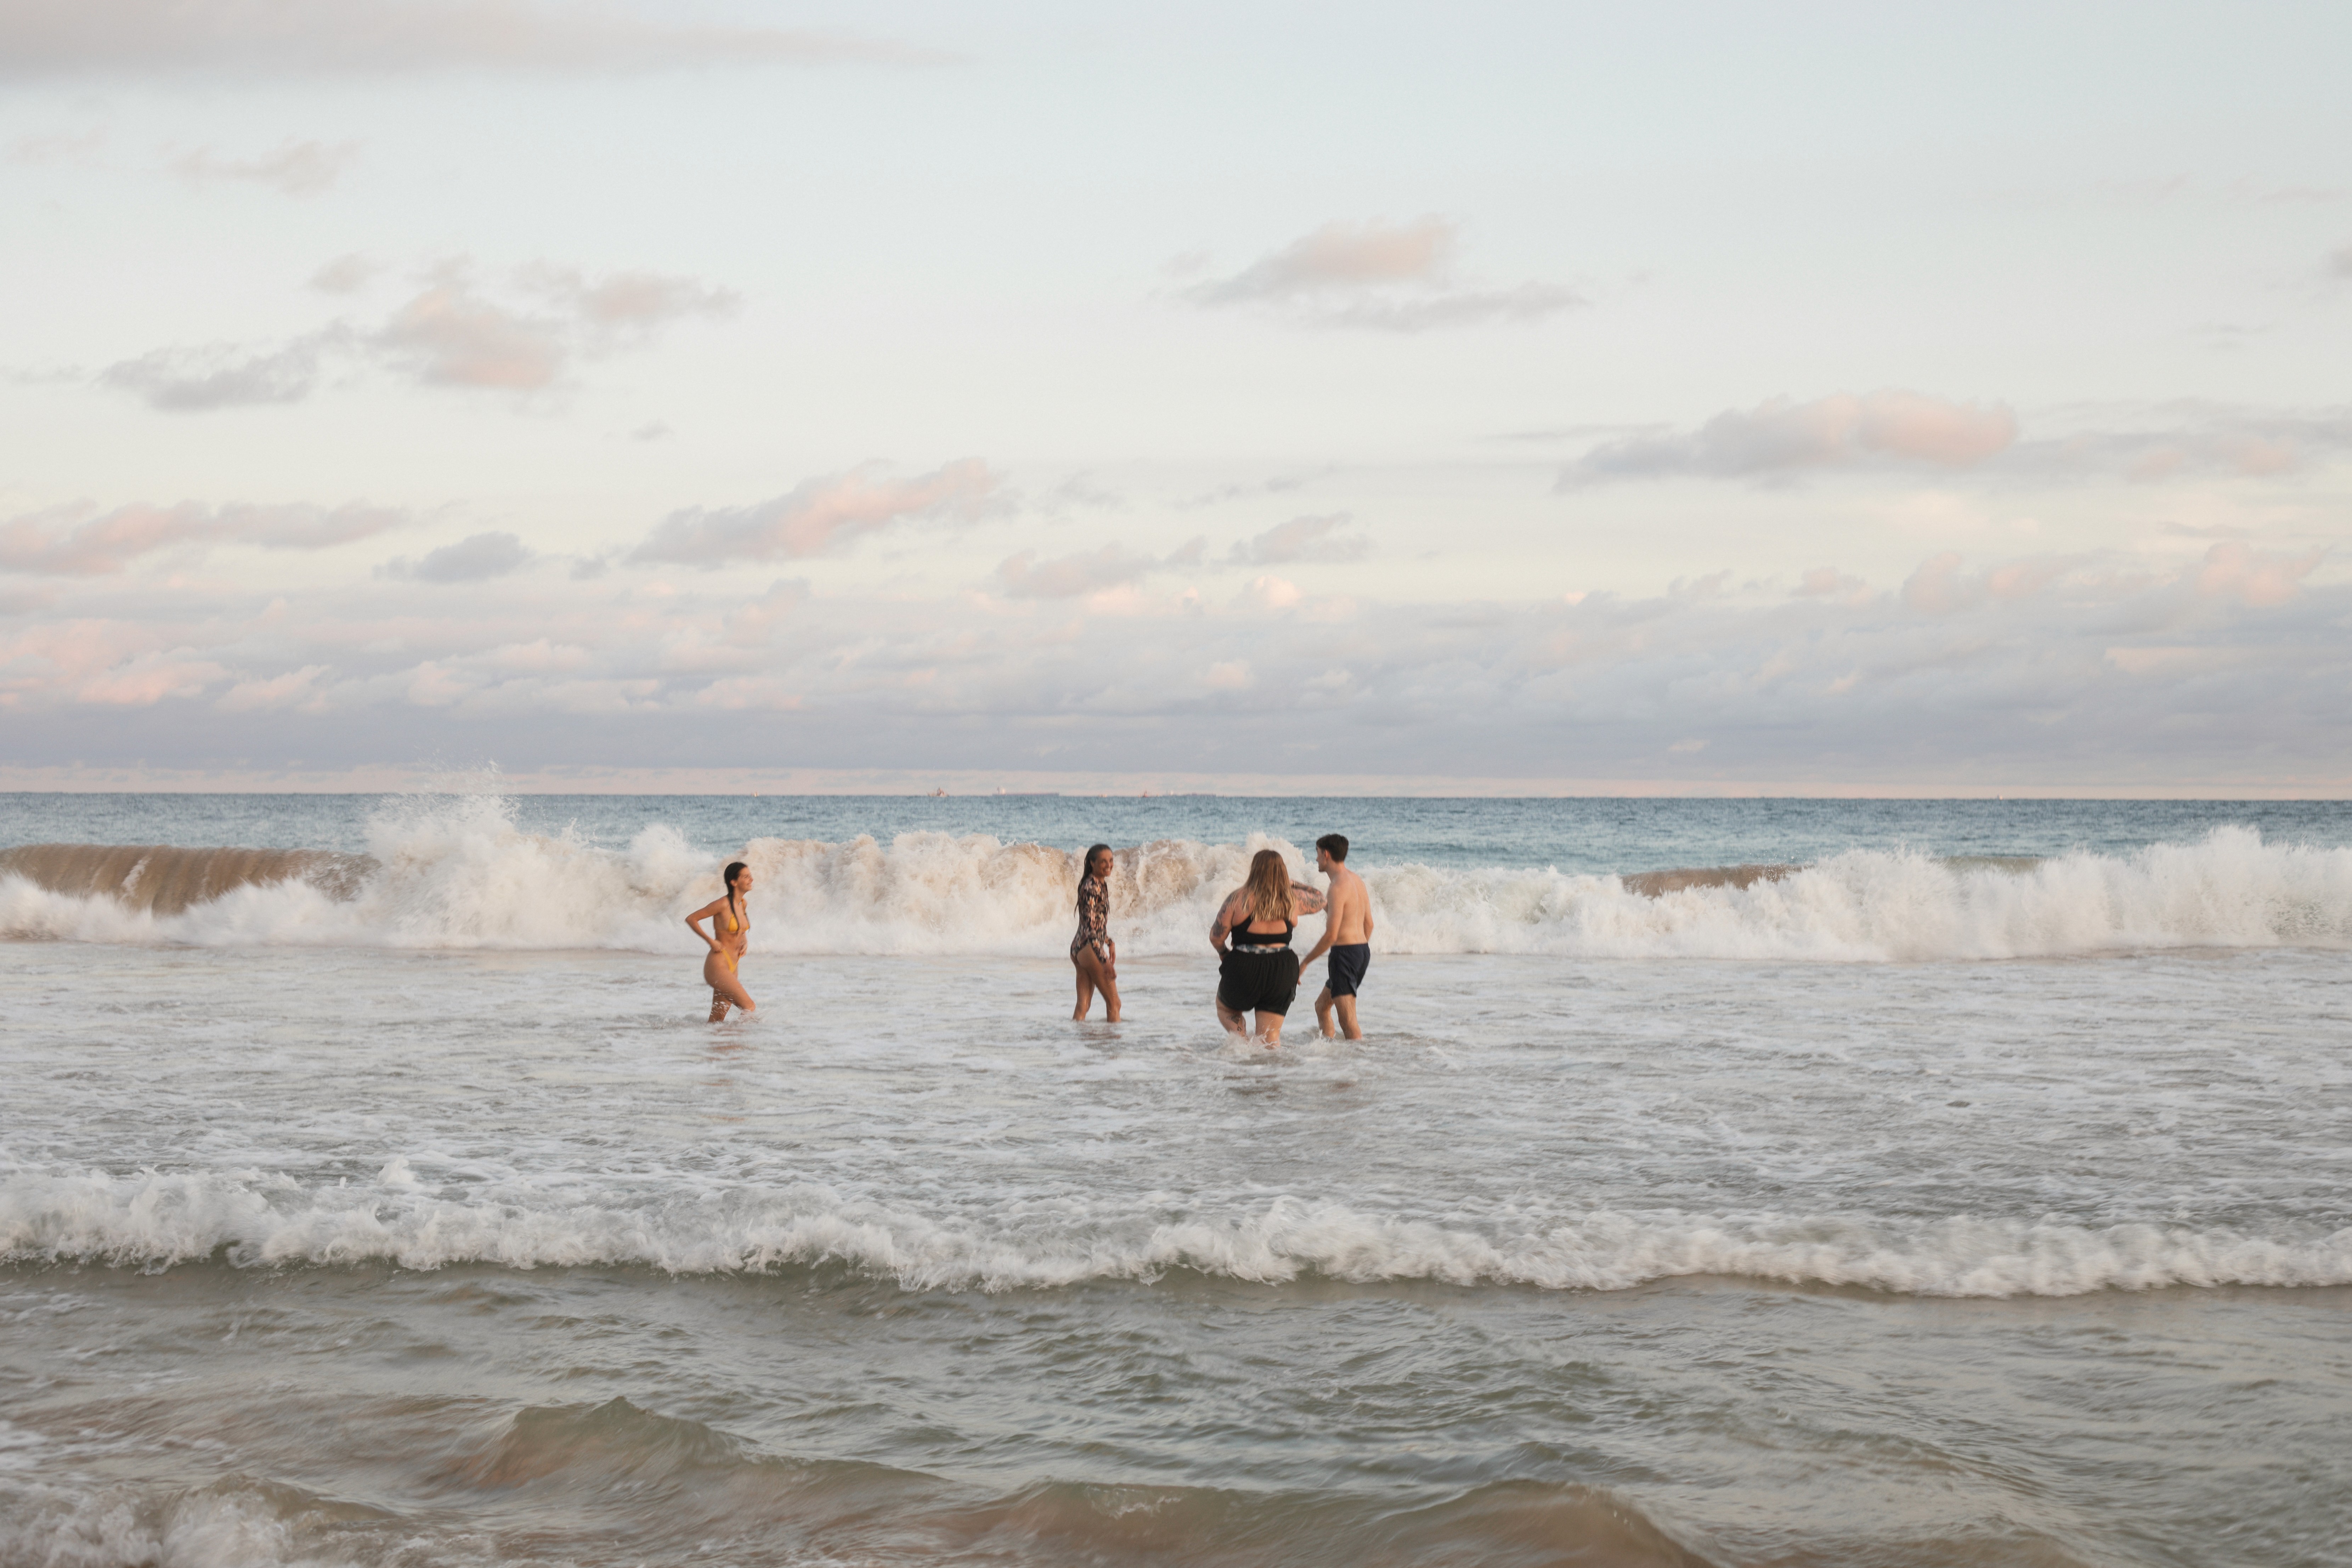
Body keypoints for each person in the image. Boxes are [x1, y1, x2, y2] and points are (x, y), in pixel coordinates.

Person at [1210, 848, 1327, 1048]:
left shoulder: (1238, 899)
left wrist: (1224, 954)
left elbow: (1216, 937)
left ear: (1254, 870)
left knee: (1227, 1010)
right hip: (1281, 968)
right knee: (1270, 1038)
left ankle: (1241, 1043)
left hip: (1244, 966)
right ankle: (1270, 1076)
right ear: (1282, 873)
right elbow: (1320, 899)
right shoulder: (1292, 899)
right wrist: (1292, 883)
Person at [1297, 833, 1374, 1040]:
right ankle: (1330, 1056)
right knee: (1322, 1007)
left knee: (1348, 1022)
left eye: (1317, 853)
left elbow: (1331, 935)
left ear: (1326, 854)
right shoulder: (1356, 881)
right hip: (1361, 951)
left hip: (1345, 956)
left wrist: (1304, 963)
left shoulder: (1337, 887)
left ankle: (1360, 1066)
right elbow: (1369, 924)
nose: (1316, 859)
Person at [686, 861, 757, 1022]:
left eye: (750, 876)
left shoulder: (742, 904)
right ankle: (741, 1043)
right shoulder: (723, 904)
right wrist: (711, 941)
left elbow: (741, 929)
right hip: (718, 965)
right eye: (746, 877)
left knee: (717, 1019)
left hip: (733, 966)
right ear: (734, 882)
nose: (751, 879)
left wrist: (744, 941)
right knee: (749, 1007)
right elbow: (692, 919)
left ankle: (718, 1045)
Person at [1071, 843, 1122, 1022]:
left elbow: (1092, 924)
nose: (1109, 865)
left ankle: (1075, 1043)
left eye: (1111, 860)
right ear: (1092, 863)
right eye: (1103, 862)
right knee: (1115, 1004)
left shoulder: (1096, 884)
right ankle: (1114, 1047)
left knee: (1083, 1006)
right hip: (1089, 947)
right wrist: (1104, 960)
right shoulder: (1092, 886)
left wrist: (1110, 942)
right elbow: (1092, 929)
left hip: (1080, 946)